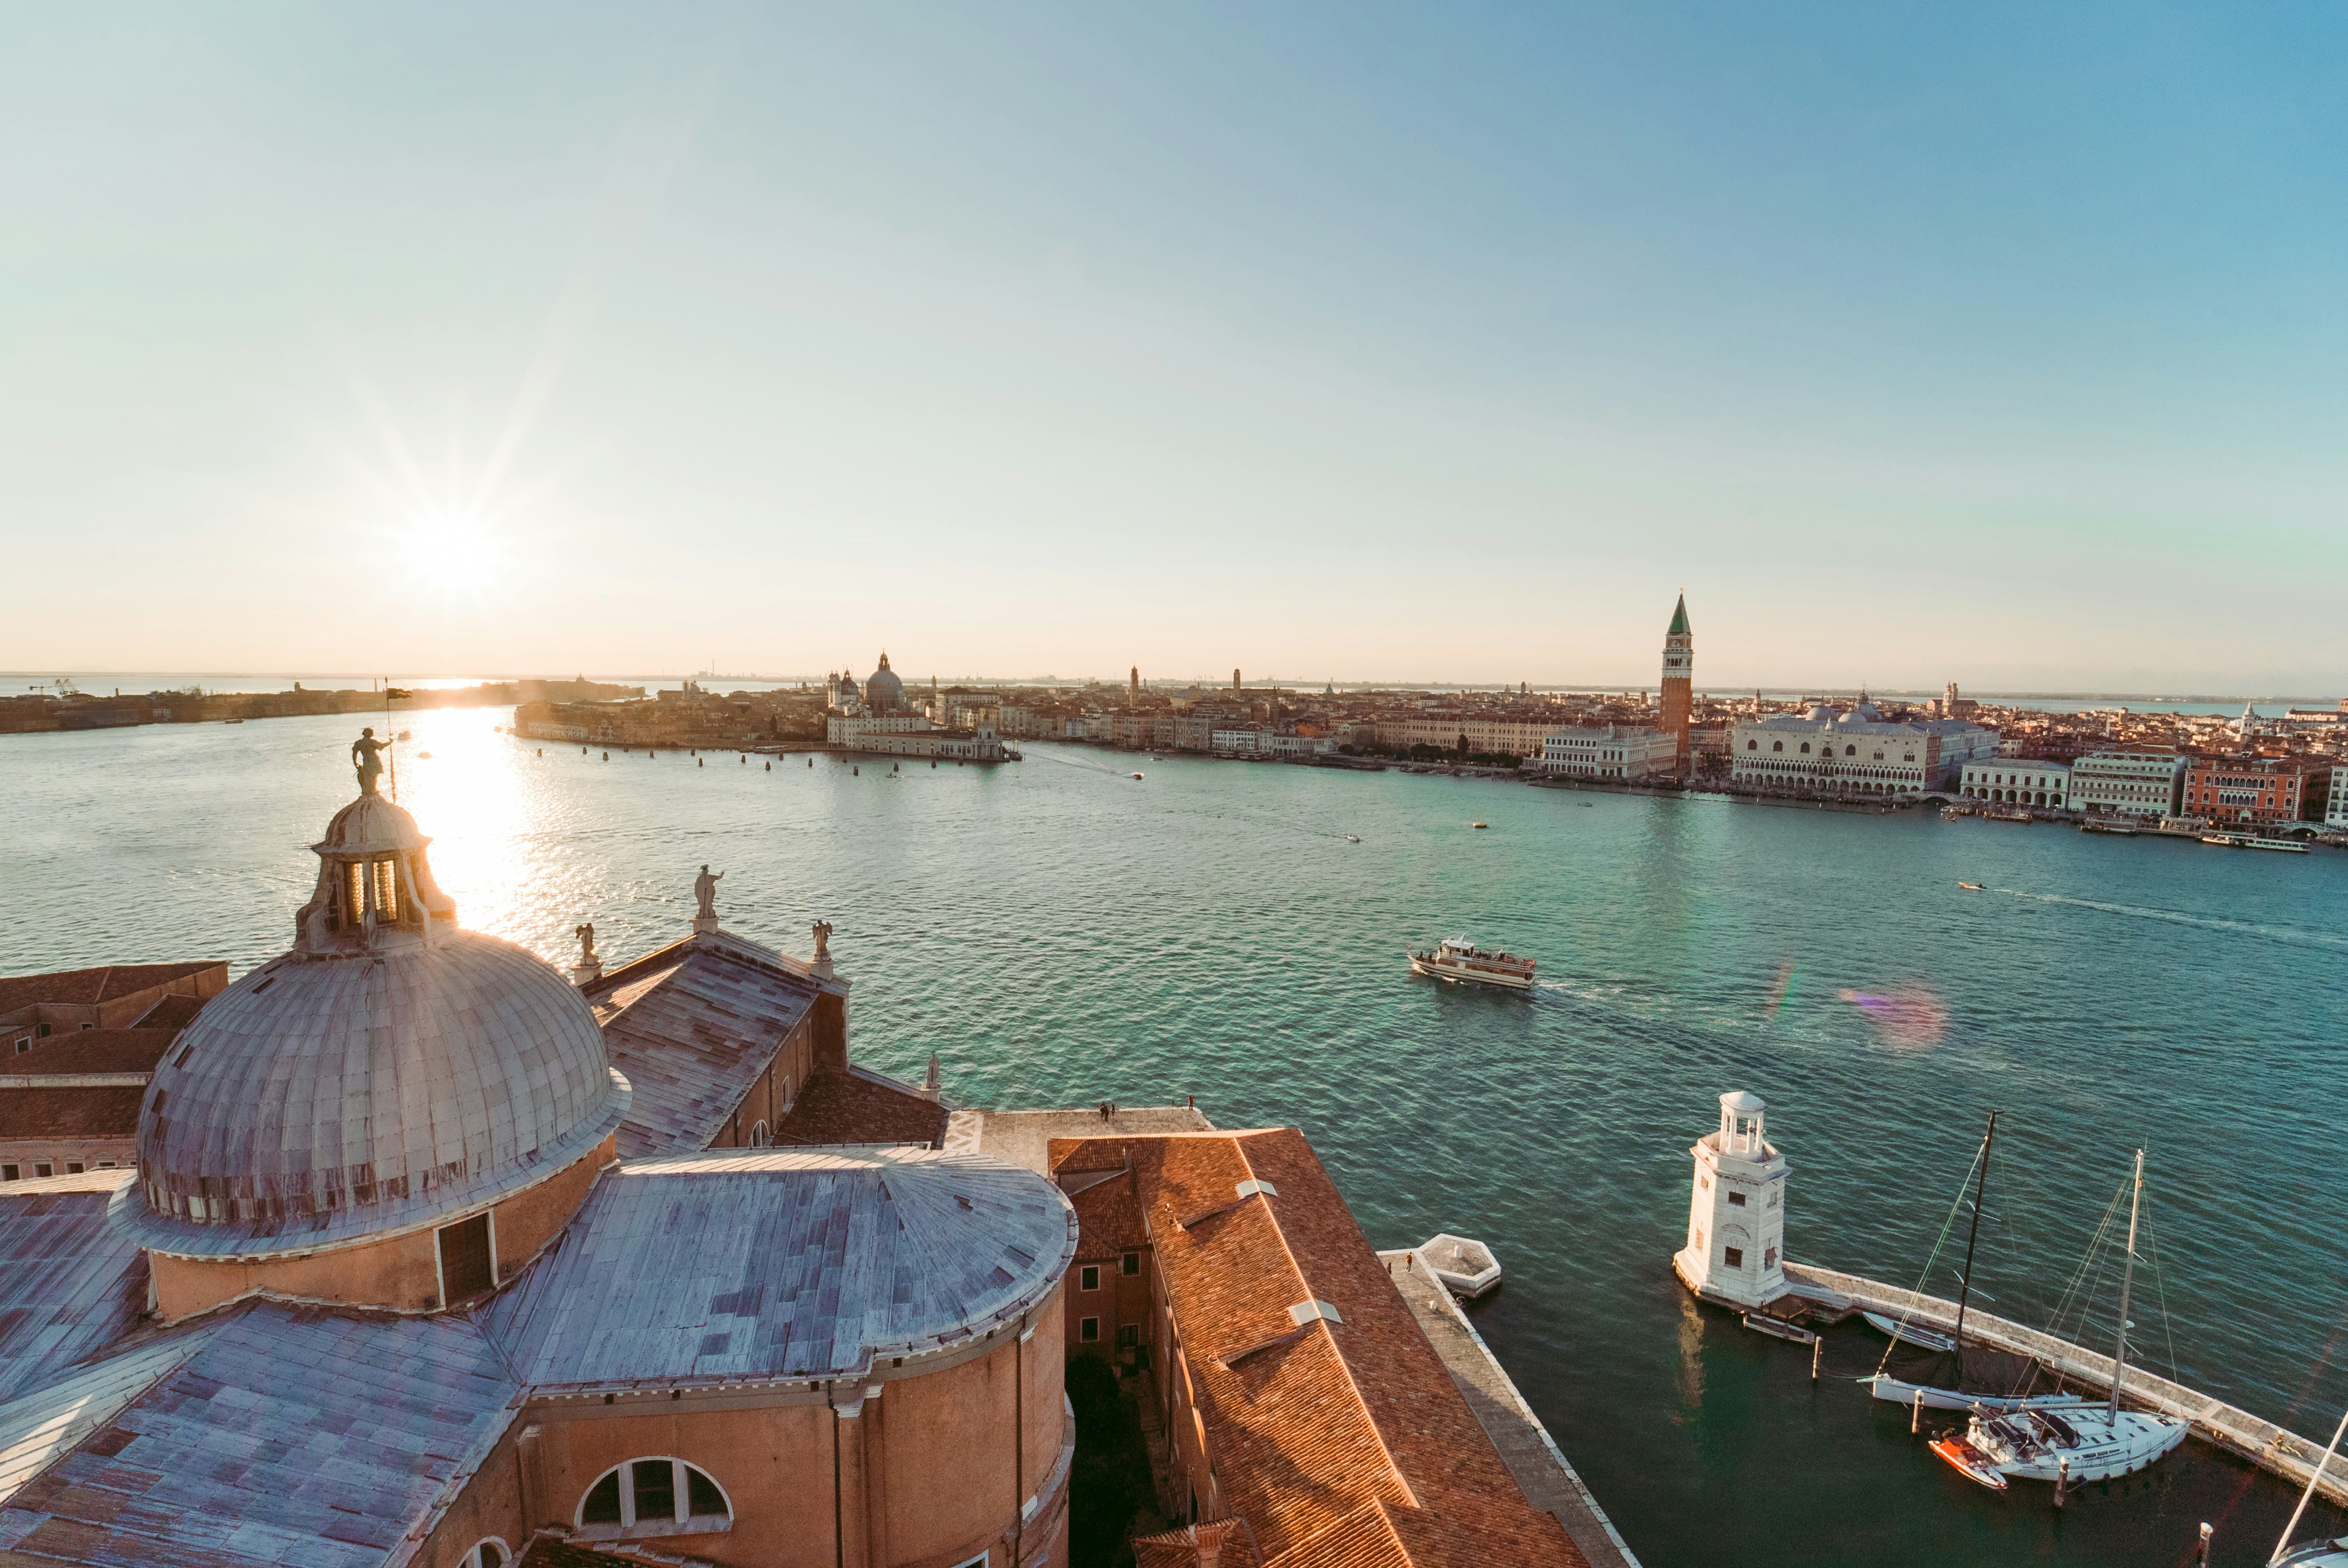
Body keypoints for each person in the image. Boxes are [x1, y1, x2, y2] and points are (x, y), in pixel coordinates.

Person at [351, 728, 389, 794]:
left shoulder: (359, 743)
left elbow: (354, 753)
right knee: (374, 775)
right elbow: (381, 746)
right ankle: (372, 789)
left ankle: (370, 789)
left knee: (368, 775)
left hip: (366, 760)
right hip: (374, 760)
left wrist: (355, 762)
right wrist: (390, 742)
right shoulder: (371, 742)